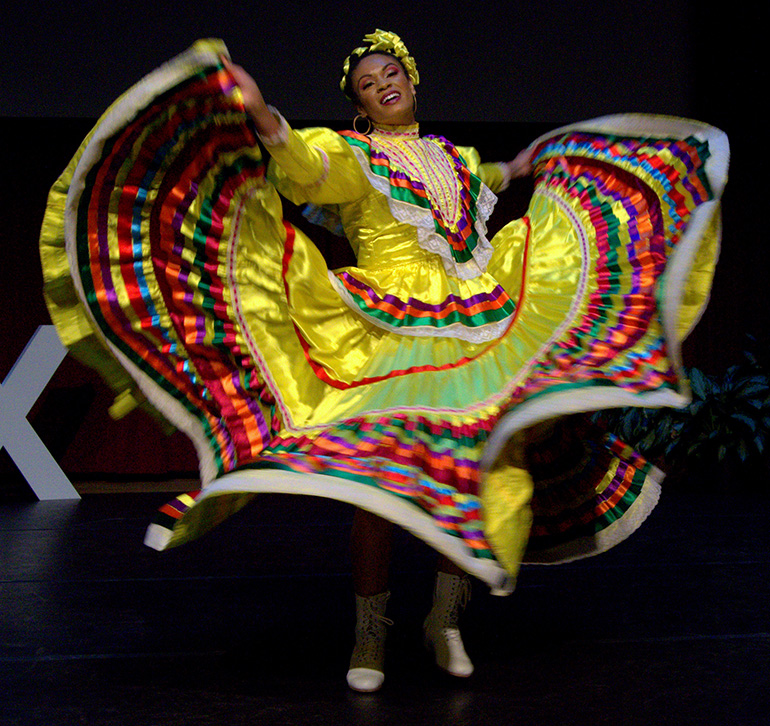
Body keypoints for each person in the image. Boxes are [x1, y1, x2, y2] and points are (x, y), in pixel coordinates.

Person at [40, 32, 728, 693]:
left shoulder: (456, 154)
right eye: (368, 85)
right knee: (382, 480)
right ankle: (370, 630)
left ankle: (445, 620)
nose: (383, 87)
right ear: (359, 106)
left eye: (390, 75)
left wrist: (515, 170)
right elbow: (307, 167)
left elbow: (479, 180)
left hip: (480, 314)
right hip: (392, 324)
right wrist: (262, 114)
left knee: (475, 461)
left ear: (411, 80)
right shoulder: (354, 155)